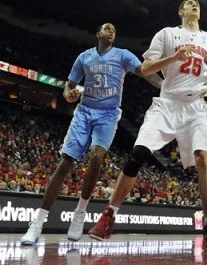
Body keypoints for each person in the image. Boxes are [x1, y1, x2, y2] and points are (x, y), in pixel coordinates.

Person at [87, 0, 207, 253]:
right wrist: (172, 57)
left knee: (203, 158)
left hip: (196, 107)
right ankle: (108, 216)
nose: (194, 5)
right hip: (167, 103)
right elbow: (146, 68)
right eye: (189, 3)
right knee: (137, 155)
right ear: (181, 11)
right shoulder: (167, 34)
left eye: (197, 4)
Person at [21, 23, 162, 245]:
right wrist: (69, 94)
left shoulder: (123, 55)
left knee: (97, 156)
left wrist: (164, 86)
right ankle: (38, 222)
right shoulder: (84, 57)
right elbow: (68, 87)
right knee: (65, 162)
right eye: (107, 28)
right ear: (98, 34)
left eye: (114, 29)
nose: (112, 30)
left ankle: (80, 212)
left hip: (108, 115)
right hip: (84, 112)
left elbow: (145, 72)